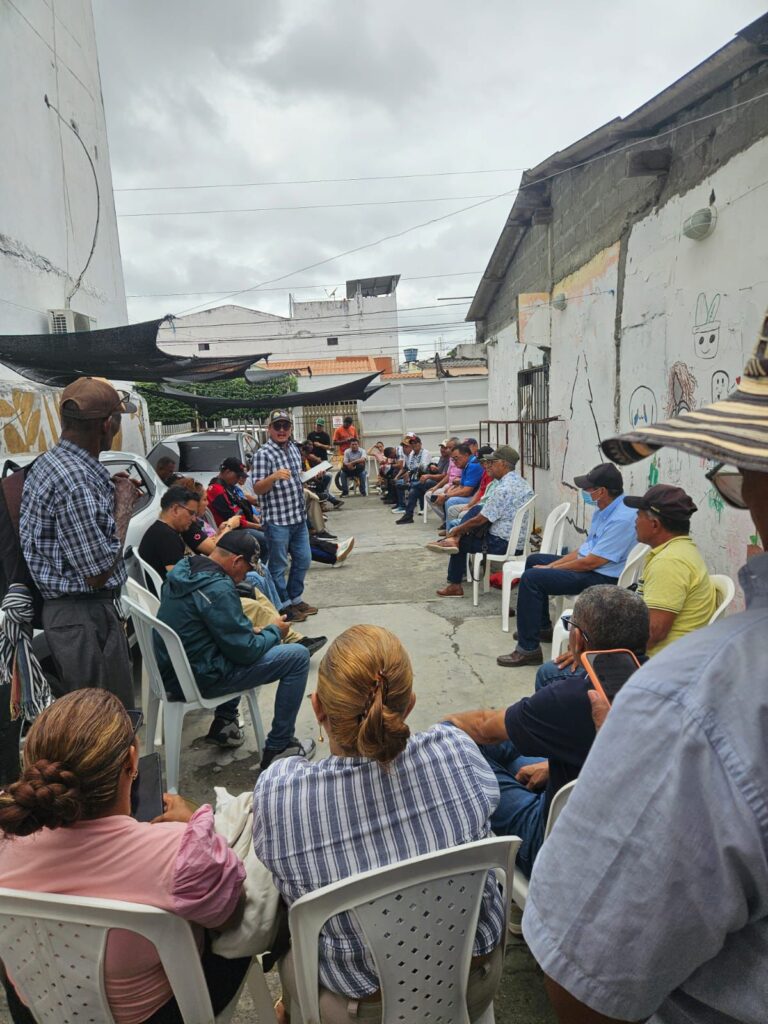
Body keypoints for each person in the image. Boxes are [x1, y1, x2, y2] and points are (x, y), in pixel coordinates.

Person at [522, 311, 768, 1024]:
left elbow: (582, 984)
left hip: (639, 659)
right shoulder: (667, 553)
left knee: (555, 681)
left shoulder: (695, 705)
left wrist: (603, 679)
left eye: (745, 474)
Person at [253, 625, 506, 1024]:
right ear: (409, 705)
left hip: (362, 1014)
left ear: (318, 709)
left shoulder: (280, 793)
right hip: (473, 987)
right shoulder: (458, 752)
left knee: (289, 943)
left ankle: (291, 1010)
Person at [0, 689, 250, 1024]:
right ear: (132, 763)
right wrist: (197, 823)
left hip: (37, 1010)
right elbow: (231, 915)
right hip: (157, 1016)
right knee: (249, 923)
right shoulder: (178, 853)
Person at [448, 586, 648, 877]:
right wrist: (549, 766)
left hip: (554, 850)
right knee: (516, 755)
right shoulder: (666, 685)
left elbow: (482, 728)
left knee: (458, 747)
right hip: (628, 839)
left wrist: (443, 728)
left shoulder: (571, 698)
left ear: (577, 638)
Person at [20, 376, 139, 707]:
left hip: (77, 616)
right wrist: (124, 508)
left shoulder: (57, 463)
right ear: (106, 424)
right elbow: (97, 572)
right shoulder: (75, 480)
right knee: (104, 719)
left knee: (97, 716)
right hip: (84, 618)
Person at [157, 530, 314, 762]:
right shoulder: (217, 588)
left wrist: (249, 631)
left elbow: (214, 627)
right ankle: (279, 746)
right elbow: (246, 652)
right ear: (236, 560)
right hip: (201, 677)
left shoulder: (186, 569)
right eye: (247, 570)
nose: (244, 577)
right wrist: (274, 632)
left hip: (177, 669)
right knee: (298, 656)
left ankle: (225, 724)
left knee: (252, 639)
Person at [498, 462, 638, 667]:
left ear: (601, 491)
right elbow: (584, 550)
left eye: (588, 488)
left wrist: (552, 568)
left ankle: (528, 649)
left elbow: (592, 561)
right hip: (594, 566)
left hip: (605, 577)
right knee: (535, 560)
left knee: (532, 578)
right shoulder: (604, 508)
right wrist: (553, 565)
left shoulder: (622, 518)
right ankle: (542, 627)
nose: (584, 492)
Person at [624, 483, 718, 655]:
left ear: (654, 524)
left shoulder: (669, 562)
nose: (635, 522)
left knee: (570, 666)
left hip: (657, 660)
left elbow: (653, 633)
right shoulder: (679, 550)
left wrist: (600, 650)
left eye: (638, 516)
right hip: (669, 656)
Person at [430, 446, 534, 599]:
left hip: (503, 543)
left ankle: (455, 584)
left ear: (503, 464)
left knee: (461, 543)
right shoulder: (520, 482)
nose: (489, 466)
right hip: (517, 540)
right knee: (477, 510)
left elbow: (481, 520)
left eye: (493, 462)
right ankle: (453, 540)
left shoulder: (503, 488)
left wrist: (457, 530)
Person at [250, 411, 316, 623]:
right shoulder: (263, 454)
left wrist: (312, 475)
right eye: (277, 426)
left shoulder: (294, 449)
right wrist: (273, 476)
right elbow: (258, 488)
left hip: (297, 517)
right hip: (277, 520)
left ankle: (295, 598)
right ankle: (284, 605)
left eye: (285, 426)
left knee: (304, 559)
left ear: (290, 429)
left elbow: (297, 478)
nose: (281, 430)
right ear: (269, 429)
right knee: (278, 566)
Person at [431, 443, 484, 523]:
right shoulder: (466, 464)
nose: (455, 462)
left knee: (451, 500)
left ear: (466, 455)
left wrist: (446, 495)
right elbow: (461, 486)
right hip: (473, 495)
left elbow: (466, 491)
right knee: (444, 496)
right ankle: (449, 524)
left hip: (477, 498)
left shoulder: (473, 465)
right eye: (453, 459)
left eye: (456, 458)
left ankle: (450, 528)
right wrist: (446, 494)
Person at [391, 435, 432, 513]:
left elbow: (423, 468)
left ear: (420, 444)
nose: (414, 445)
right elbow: (407, 467)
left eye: (416, 443)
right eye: (412, 443)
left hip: (423, 477)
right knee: (398, 483)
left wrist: (409, 473)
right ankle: (402, 506)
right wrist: (401, 476)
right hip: (413, 477)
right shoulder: (411, 454)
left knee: (414, 485)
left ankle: (422, 507)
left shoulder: (425, 453)